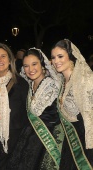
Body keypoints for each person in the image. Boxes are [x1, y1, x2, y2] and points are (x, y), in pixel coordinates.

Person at [6, 47, 64, 170]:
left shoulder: (53, 86)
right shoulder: (29, 85)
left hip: (48, 141)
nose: (30, 69)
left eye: (34, 64)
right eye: (26, 66)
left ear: (42, 64)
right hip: (28, 139)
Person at [51, 39, 93, 169]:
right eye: (53, 57)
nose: (56, 61)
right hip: (70, 140)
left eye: (60, 56)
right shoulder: (61, 82)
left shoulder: (84, 79)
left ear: (71, 56)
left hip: (86, 141)